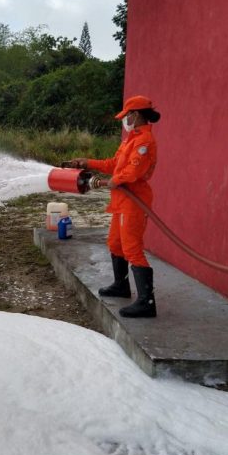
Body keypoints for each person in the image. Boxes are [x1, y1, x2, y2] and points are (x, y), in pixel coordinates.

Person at [69, 95, 160, 318]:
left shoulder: (144, 141)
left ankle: (147, 303)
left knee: (132, 247)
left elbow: (133, 172)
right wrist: (87, 162)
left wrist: (114, 181)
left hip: (134, 200)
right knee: (115, 243)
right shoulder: (130, 139)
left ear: (136, 115)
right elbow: (114, 165)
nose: (125, 119)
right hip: (121, 199)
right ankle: (121, 286)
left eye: (127, 115)